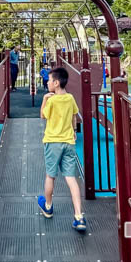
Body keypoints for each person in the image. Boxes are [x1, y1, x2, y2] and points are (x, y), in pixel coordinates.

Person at [37, 67, 87, 232]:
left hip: (53, 142)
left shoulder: (51, 100)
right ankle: (79, 216)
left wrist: (44, 99)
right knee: (71, 178)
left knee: (50, 176)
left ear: (56, 83)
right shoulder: (70, 98)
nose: (47, 82)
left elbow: (43, 115)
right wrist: (73, 132)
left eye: (49, 80)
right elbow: (74, 117)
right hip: (68, 142)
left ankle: (48, 206)